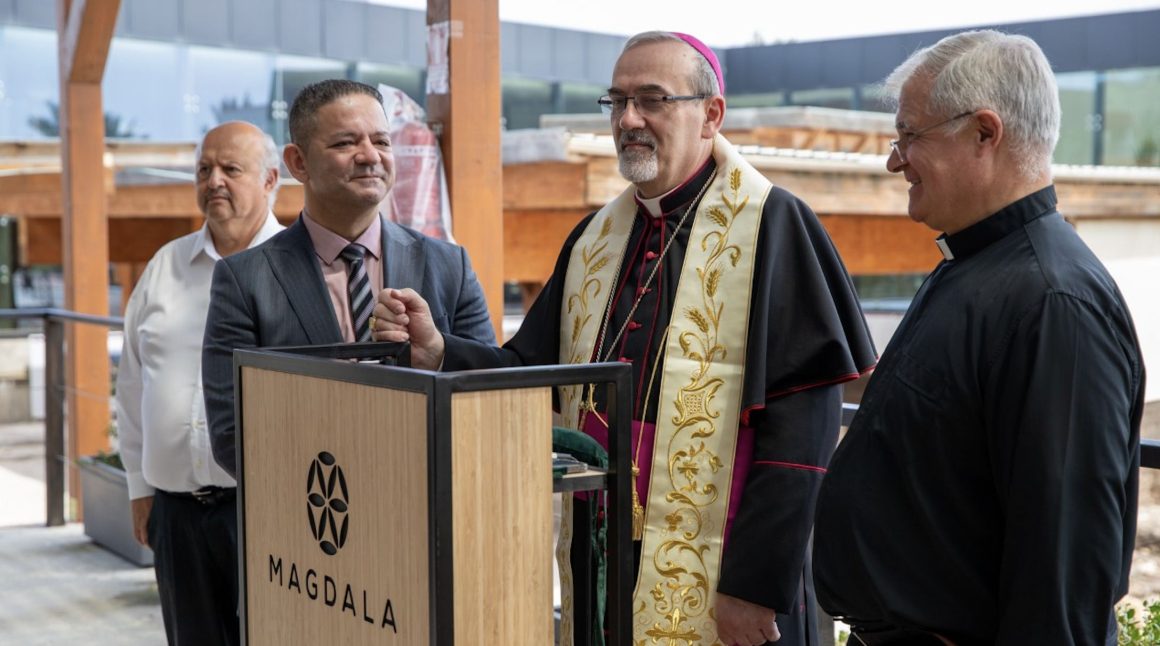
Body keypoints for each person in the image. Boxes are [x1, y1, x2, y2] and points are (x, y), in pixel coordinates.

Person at [373, 32, 876, 646]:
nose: (629, 119)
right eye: (616, 102)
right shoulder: (595, 237)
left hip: (726, 561)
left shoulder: (773, 221)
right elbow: (532, 370)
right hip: (606, 541)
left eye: (652, 99)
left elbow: (803, 432)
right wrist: (440, 351)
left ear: (710, 115)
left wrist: (754, 585)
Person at [812, 30, 1145, 646]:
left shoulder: (1053, 304)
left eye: (910, 135)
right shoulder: (979, 266)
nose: (894, 159)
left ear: (984, 134)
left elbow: (1063, 575)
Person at [202, 79, 495, 478]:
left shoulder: (448, 265)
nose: (370, 156)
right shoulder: (245, 279)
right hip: (317, 517)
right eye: (344, 143)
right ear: (298, 162)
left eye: (381, 141)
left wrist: (439, 353)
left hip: (431, 503)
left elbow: (490, 395)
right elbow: (231, 434)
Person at [115, 121, 285, 646]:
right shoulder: (165, 266)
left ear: (271, 180)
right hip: (176, 515)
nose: (214, 180)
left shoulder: (298, 270)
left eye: (231, 169)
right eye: (204, 169)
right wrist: (140, 488)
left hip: (265, 514)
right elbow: (131, 385)